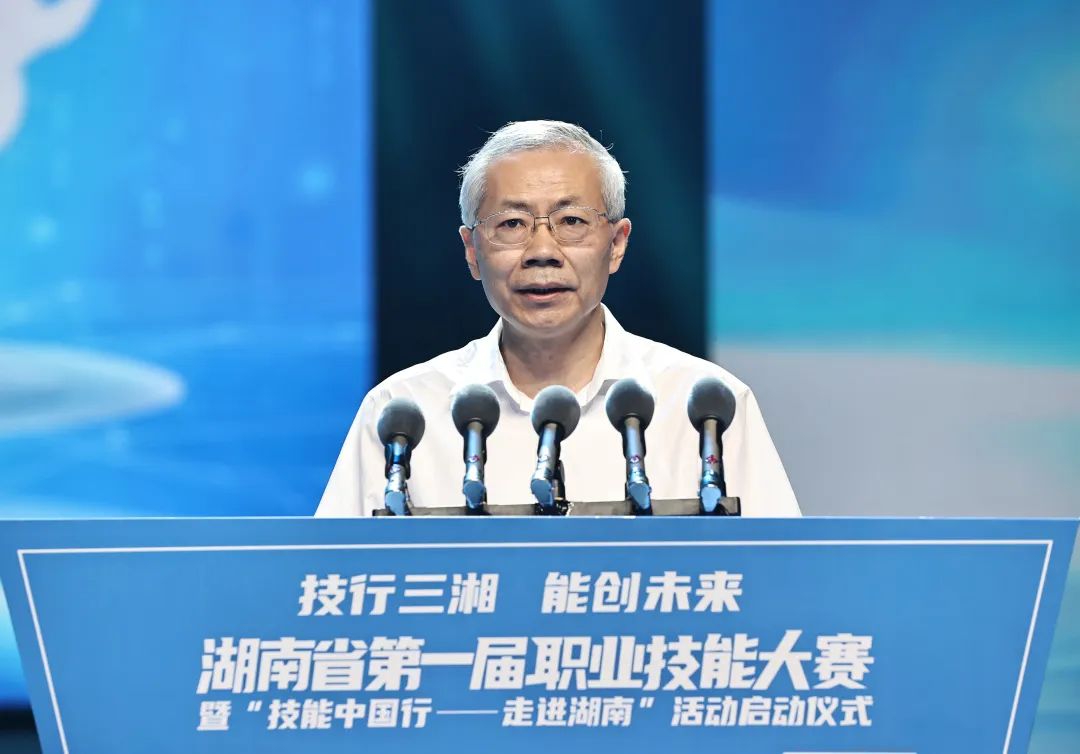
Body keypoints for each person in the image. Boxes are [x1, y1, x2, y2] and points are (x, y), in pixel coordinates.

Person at [316, 120, 799, 517]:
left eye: (572, 221)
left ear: (617, 244)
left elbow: (781, 577)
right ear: (471, 251)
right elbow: (330, 581)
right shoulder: (402, 412)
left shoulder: (706, 407)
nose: (542, 251)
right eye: (512, 224)